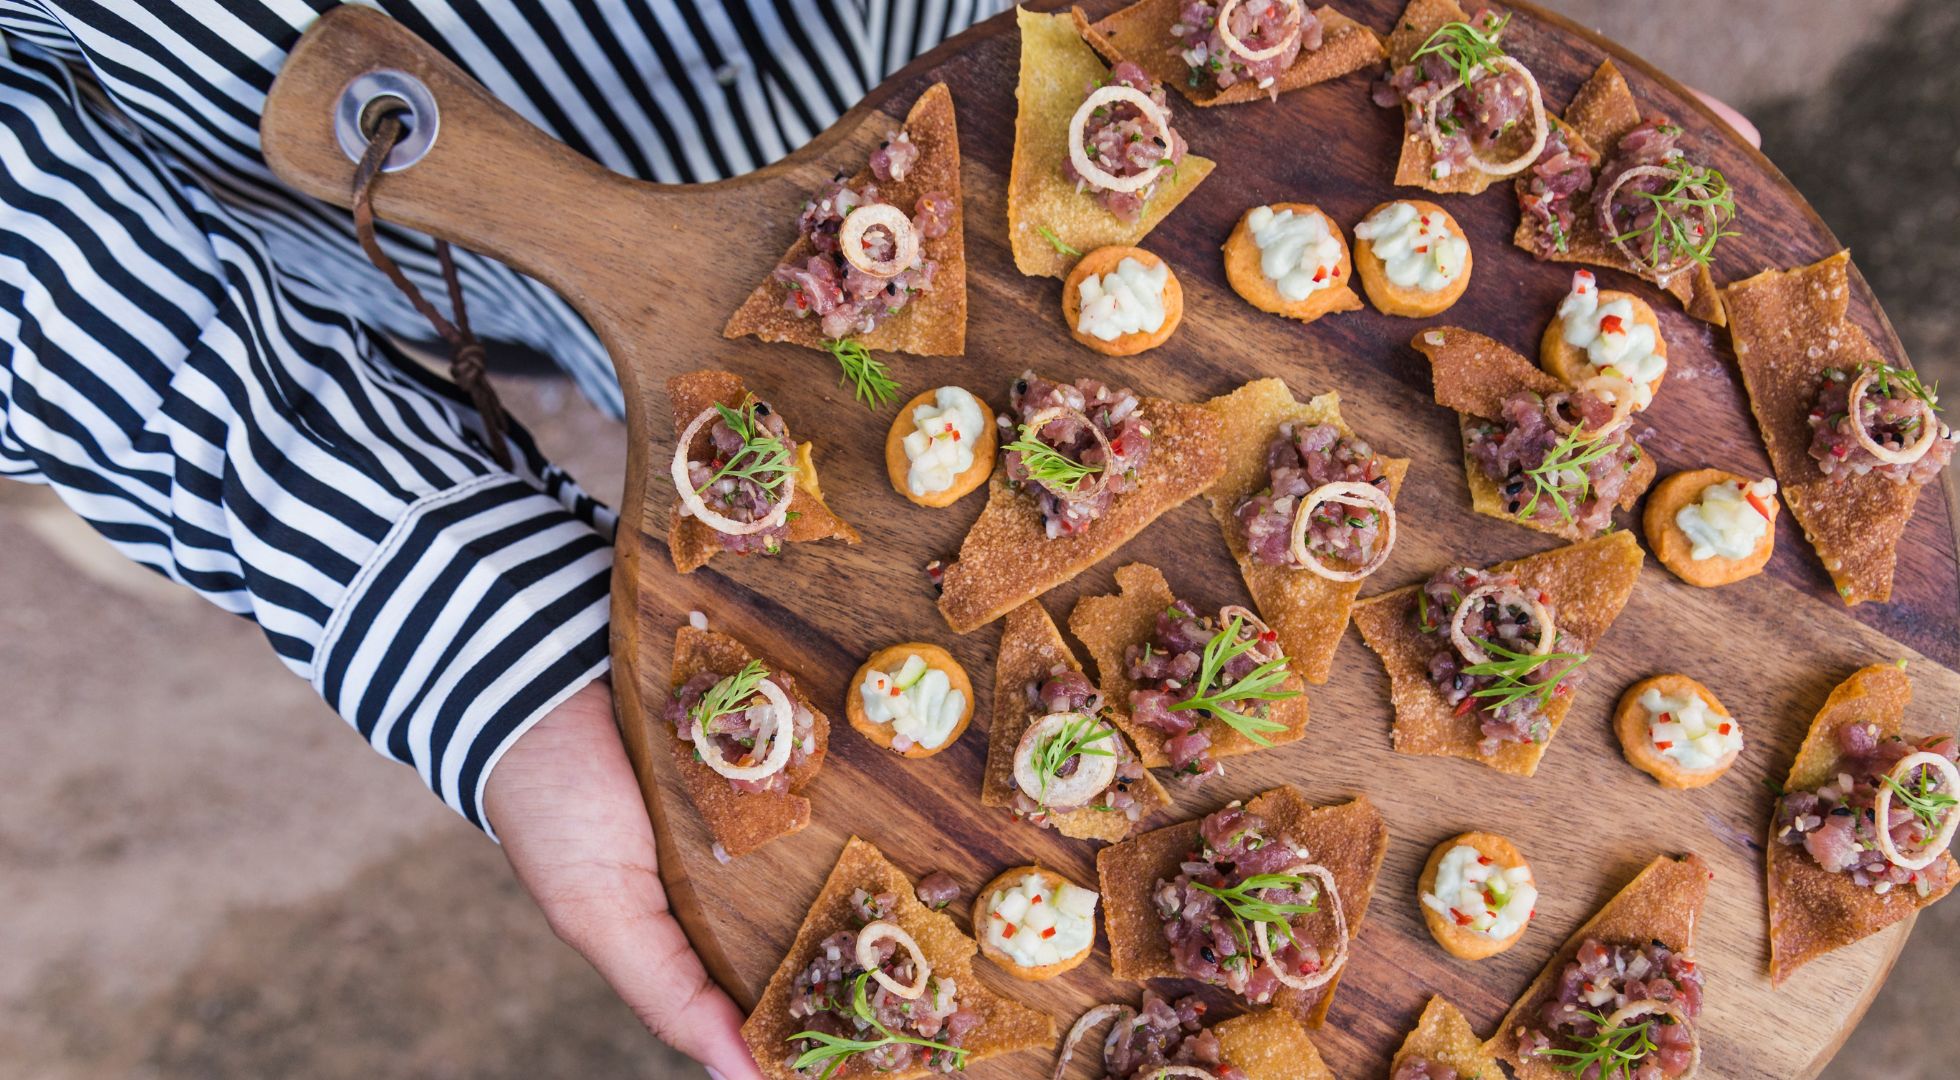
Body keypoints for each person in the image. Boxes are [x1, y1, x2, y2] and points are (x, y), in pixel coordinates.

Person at [0, 3, 1757, 1076]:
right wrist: (389, 556)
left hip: (1013, 99)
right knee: (673, 361)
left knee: (774, 402)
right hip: (282, 183)